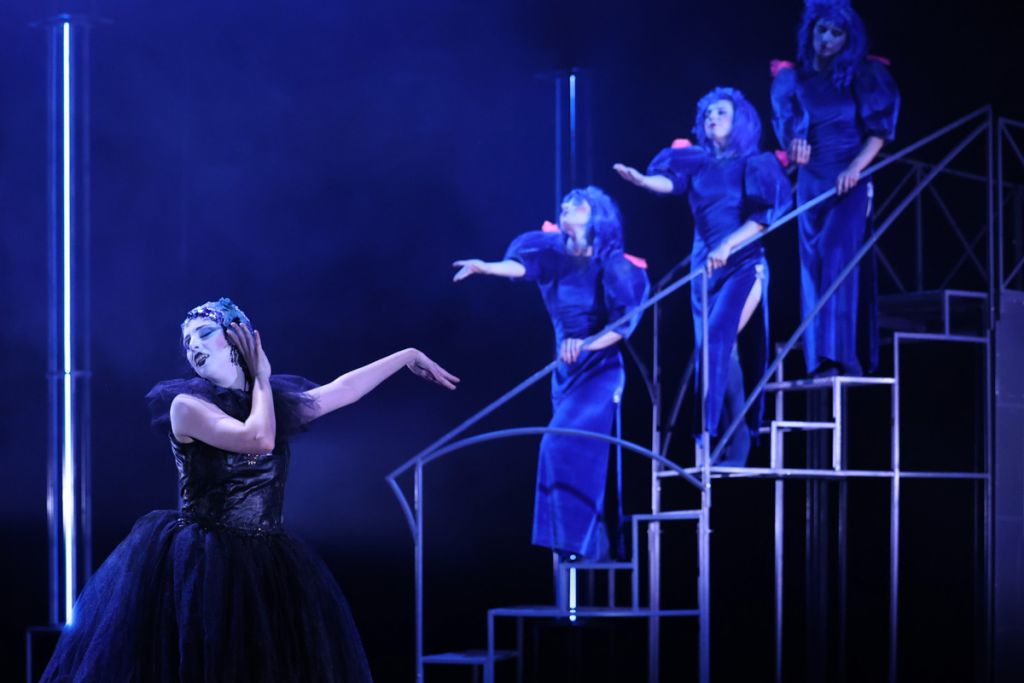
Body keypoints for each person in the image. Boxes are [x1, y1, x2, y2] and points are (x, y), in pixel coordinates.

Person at [41, 297, 458, 683]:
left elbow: (342, 390)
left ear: (240, 336)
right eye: (187, 343)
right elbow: (258, 439)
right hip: (207, 563)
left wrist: (406, 356)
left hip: (266, 561)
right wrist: (261, 377)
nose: (193, 346)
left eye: (204, 333)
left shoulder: (269, 403)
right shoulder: (186, 406)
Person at [452, 187, 649, 561]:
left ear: (596, 216)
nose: (566, 207)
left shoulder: (612, 265)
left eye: (577, 204)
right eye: (564, 204)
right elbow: (522, 268)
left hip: (600, 370)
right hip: (566, 373)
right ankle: (588, 546)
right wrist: (486, 267)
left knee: (558, 445)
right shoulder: (552, 254)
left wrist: (585, 345)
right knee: (573, 453)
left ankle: (573, 545)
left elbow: (623, 325)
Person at [614, 87, 791, 465]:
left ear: (739, 120)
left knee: (716, 340)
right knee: (718, 353)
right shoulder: (697, 163)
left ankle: (734, 441)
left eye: (721, 112)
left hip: (743, 265)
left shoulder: (754, 163)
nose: (712, 118)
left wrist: (728, 244)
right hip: (705, 271)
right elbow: (671, 183)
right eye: (708, 113)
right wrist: (644, 181)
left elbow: (763, 217)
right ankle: (733, 438)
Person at [770, 0, 900, 376]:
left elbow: (879, 132)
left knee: (837, 256)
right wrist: (795, 145)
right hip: (812, 180)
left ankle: (843, 356)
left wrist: (855, 168)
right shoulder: (796, 80)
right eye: (821, 30)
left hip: (849, 179)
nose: (826, 38)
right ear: (810, 31)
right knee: (811, 265)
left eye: (836, 32)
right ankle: (818, 359)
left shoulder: (862, 75)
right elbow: (791, 132)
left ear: (848, 39)